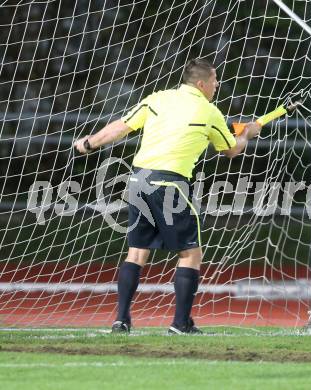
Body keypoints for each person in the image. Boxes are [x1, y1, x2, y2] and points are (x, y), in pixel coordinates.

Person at [74, 58, 261, 334]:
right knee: (190, 253)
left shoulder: (157, 99)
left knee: (136, 252)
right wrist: (249, 134)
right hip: (170, 184)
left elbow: (120, 127)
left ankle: (121, 320)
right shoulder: (209, 112)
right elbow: (231, 150)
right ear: (201, 84)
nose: (217, 84)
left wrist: (88, 143)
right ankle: (180, 323)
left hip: (138, 180)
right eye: (214, 79)